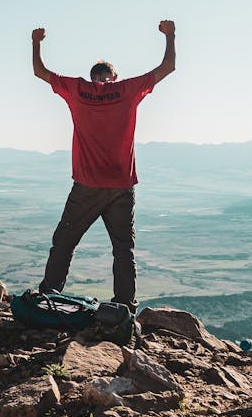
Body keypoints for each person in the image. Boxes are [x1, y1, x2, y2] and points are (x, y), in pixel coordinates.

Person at [31, 20, 176, 312]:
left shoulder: (76, 89)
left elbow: (39, 71)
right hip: (122, 185)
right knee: (124, 249)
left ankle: (48, 297)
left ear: (92, 77)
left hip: (87, 184)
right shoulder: (127, 89)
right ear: (114, 76)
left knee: (64, 243)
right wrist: (170, 36)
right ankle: (124, 308)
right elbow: (168, 66)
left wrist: (36, 42)